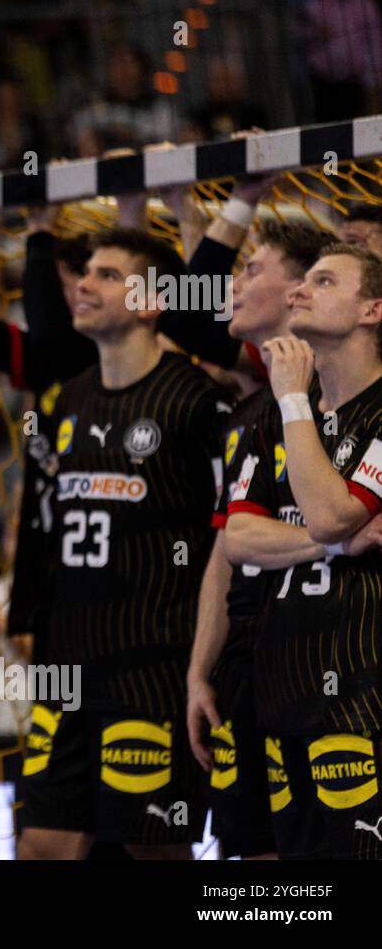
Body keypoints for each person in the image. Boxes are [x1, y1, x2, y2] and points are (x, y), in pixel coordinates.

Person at [17, 228, 229, 859]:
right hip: (66, 667)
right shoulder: (68, 398)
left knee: (153, 849)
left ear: (150, 300)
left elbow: (227, 538)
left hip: (153, 665)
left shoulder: (196, 402)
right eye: (87, 272)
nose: (83, 283)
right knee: (40, 846)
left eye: (106, 275)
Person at [185, 221, 337, 860]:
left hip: (339, 660)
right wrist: (199, 671)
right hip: (253, 660)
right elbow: (233, 546)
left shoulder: (350, 397)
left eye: (252, 269)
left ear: (300, 289)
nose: (233, 284)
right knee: (251, 858)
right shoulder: (255, 409)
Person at [227, 244, 382, 858]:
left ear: (373, 309)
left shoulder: (316, 408)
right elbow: (239, 539)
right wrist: (336, 546)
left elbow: (325, 512)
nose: (299, 291)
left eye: (323, 280)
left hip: (362, 694)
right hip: (281, 691)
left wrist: (293, 397)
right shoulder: (276, 418)